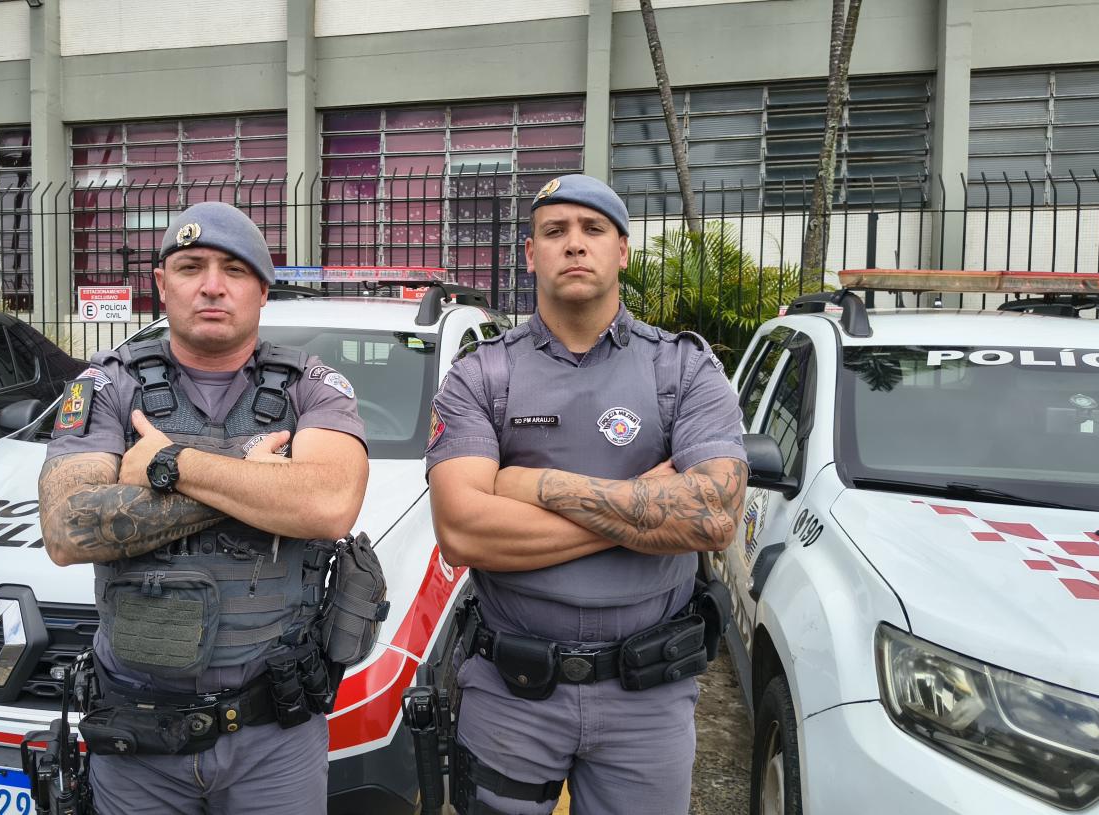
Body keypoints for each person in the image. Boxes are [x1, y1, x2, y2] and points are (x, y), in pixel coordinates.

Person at [426, 174, 748, 815]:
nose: (575, 245)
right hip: (511, 692)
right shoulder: (483, 375)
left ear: (622, 250)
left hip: (648, 696)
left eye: (593, 229)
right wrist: (641, 502)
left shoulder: (683, 369)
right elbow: (462, 532)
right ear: (531, 254)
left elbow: (714, 516)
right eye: (555, 232)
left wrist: (532, 486)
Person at [37, 201, 370, 815]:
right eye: (191, 267)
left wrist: (171, 465)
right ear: (163, 284)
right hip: (136, 735)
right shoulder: (107, 386)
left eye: (234, 270)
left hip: (274, 735)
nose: (213, 286)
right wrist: (258, 481)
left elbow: (327, 503)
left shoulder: (311, 385)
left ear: (262, 291)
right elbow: (68, 528)